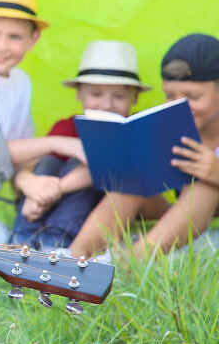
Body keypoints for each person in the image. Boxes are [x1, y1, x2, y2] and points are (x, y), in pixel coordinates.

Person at [69, 34, 219, 258]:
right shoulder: (174, 125)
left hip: (205, 219)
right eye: (170, 95)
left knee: (204, 187)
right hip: (185, 223)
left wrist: (215, 172)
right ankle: (77, 256)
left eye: (193, 96)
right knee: (134, 179)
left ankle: (130, 265)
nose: (180, 104)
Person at [10, 41, 149, 250]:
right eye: (96, 94)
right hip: (42, 207)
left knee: (83, 164)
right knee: (47, 162)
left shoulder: (134, 130)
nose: (106, 105)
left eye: (119, 96)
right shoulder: (68, 126)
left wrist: (54, 189)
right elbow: (29, 164)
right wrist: (32, 188)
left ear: (135, 98)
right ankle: (22, 238)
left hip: (92, 211)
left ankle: (55, 242)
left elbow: (102, 171)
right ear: (78, 94)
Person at [0, 0, 88, 181]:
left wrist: (27, 183)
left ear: (33, 40)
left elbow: (22, 154)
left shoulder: (21, 82)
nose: (1, 47)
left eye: (15, 37)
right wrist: (57, 143)